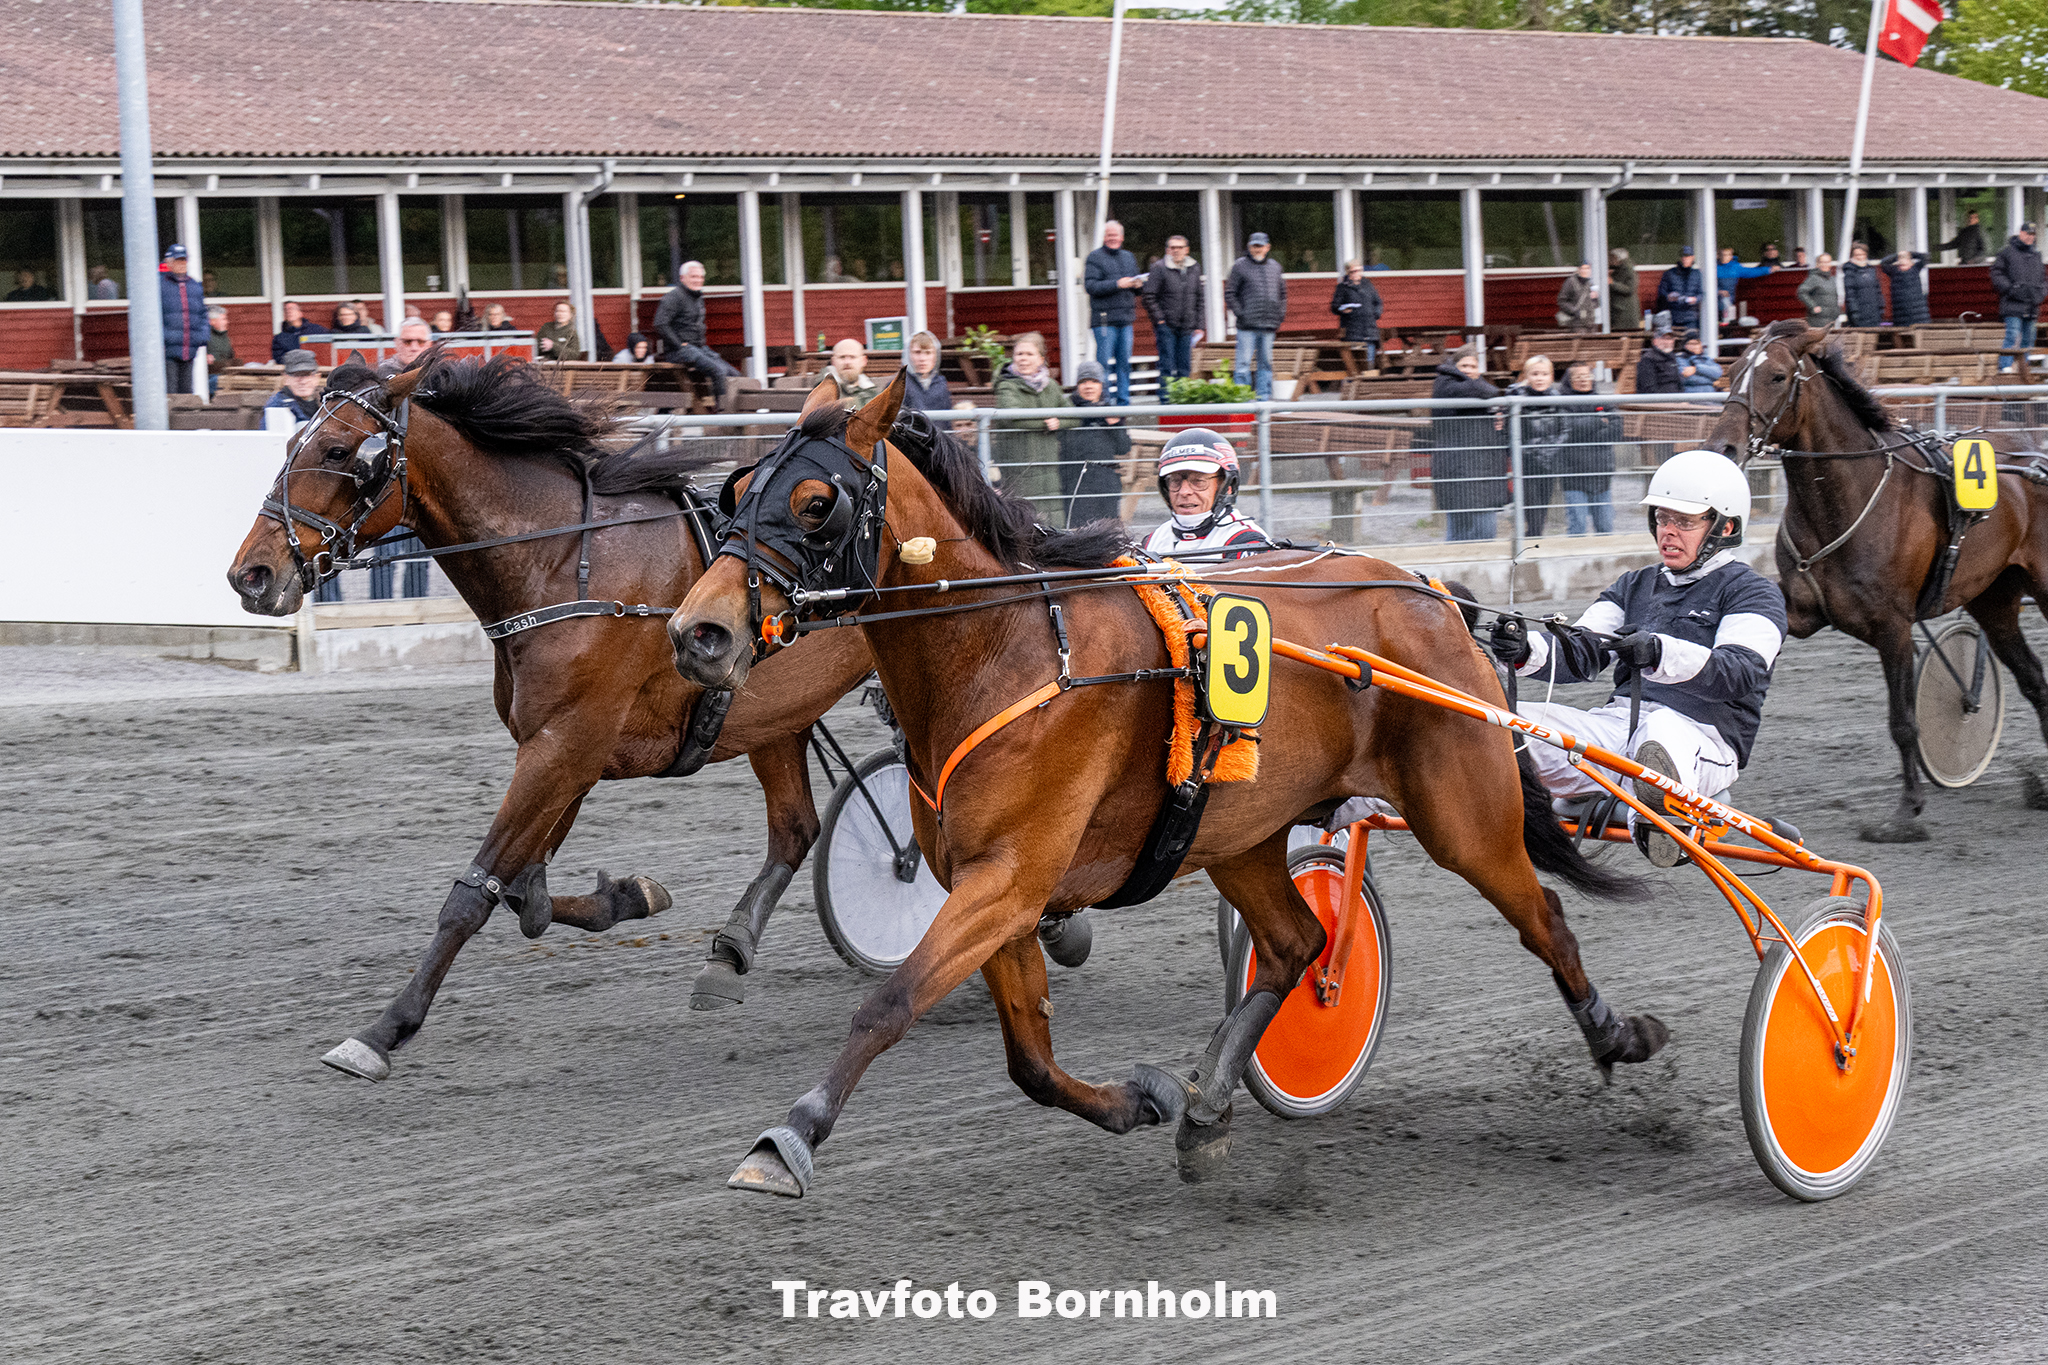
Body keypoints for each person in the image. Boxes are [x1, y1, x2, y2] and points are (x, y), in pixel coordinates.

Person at [1486, 450, 1786, 867]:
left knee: (1662, 730)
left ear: (1725, 526)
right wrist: (1523, 649)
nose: (1668, 532)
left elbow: (1738, 672)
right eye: (1662, 518)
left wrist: (1659, 652)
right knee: (1498, 722)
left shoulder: (1754, 593)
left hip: (1704, 739)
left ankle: (1666, 824)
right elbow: (1581, 652)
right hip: (1619, 730)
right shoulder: (1634, 585)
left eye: (1684, 522)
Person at [1141, 427, 1267, 558]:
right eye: (1175, 481)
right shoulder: (1152, 541)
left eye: (1198, 481)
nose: (1184, 492)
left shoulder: (1247, 542)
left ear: (1227, 485)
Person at [991, 332, 1068, 524]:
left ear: (1041, 359)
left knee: (1053, 520)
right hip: (1018, 464)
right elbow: (1012, 416)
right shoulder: (1007, 386)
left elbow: (1073, 414)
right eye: (1019, 354)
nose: (1023, 358)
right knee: (1023, 520)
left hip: (1048, 464)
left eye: (1029, 354)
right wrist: (1045, 423)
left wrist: (1059, 422)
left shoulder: (1051, 386)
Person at [1429, 346, 1504, 543]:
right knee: (1476, 530)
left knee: (1465, 530)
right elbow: (1480, 389)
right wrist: (1495, 393)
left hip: (1479, 466)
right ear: (1455, 367)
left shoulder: (1471, 387)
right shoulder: (1445, 384)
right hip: (1458, 465)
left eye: (1473, 366)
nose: (1469, 370)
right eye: (1464, 366)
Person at [652, 259, 744, 406]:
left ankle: (738, 410)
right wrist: (679, 345)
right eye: (694, 276)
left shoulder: (697, 297)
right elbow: (660, 323)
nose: (698, 280)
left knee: (735, 375)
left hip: (699, 348)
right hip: (678, 351)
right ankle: (723, 413)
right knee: (719, 371)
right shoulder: (674, 297)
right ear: (683, 278)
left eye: (701, 277)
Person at [1059, 360, 1128, 528]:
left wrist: (1115, 426)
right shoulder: (1067, 410)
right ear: (1077, 385)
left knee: (1108, 532)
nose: (1089, 386)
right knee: (1079, 533)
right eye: (1083, 381)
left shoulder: (1109, 410)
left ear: (1101, 385)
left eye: (1094, 381)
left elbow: (1124, 447)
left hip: (1106, 484)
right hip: (1075, 484)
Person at [1556, 360, 1622, 536]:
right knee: (1577, 525)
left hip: (1601, 471)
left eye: (1587, 375)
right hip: (1573, 472)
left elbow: (1617, 428)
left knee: (1605, 525)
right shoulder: (1561, 402)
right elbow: (1569, 429)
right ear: (1569, 380)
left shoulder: (1601, 400)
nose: (1584, 380)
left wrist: (1590, 432)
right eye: (1578, 377)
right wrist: (1598, 422)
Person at [1506, 354, 1568, 538]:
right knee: (1530, 501)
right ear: (1527, 376)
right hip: (1526, 458)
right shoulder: (1518, 396)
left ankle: (1535, 535)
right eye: (1535, 374)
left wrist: (1550, 451)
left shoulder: (1557, 398)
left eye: (1544, 374)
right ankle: (1533, 535)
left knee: (1543, 501)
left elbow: (1565, 429)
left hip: (1550, 458)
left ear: (1551, 376)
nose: (1540, 378)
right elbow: (1510, 429)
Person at [1083, 220, 1141, 407]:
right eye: (1109, 235)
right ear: (1104, 237)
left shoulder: (1129, 257)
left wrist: (1138, 285)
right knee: (1103, 365)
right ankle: (1105, 403)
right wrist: (1117, 284)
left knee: (1124, 364)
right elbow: (1090, 286)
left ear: (1122, 237)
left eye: (1115, 235)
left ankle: (1124, 403)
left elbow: (1137, 289)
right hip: (1104, 320)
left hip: (1126, 319)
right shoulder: (1094, 257)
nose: (1112, 238)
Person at [1225, 232, 1287, 401]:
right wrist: (1241, 313)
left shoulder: (1275, 267)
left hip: (1269, 324)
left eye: (1260, 246)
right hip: (1247, 325)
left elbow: (1282, 294)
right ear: (1249, 247)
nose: (1257, 249)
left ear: (1267, 247)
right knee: (1243, 364)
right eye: (1254, 246)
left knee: (1266, 363)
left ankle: (1264, 399)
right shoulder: (1240, 266)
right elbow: (1230, 293)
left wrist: (1279, 315)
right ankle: (1242, 400)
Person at [1143, 234, 1203, 387]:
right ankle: (1166, 398)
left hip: (1187, 325)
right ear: (1167, 250)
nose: (1176, 250)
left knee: (1184, 366)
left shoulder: (1194, 267)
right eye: (1173, 247)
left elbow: (1199, 297)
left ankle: (1182, 398)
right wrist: (1160, 319)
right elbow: (1149, 296)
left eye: (1180, 247)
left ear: (1186, 250)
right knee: (1167, 365)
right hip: (1167, 325)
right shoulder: (1159, 268)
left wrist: (1199, 324)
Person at [1991, 222, 2044, 373]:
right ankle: (2005, 367)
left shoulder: (2036, 255)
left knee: (2028, 339)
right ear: (2021, 233)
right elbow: (1996, 273)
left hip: (2031, 304)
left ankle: (2023, 369)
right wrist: (2010, 289)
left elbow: (2043, 279)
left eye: (2033, 234)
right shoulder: (2007, 253)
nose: (2030, 237)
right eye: (2028, 233)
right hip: (2012, 304)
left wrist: (2041, 292)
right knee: (2012, 336)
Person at [158, 244, 206, 396]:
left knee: (187, 393)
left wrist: (202, 338)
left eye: (184, 260)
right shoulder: (159, 285)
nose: (182, 263)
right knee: (170, 393)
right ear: (169, 262)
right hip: (167, 350)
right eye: (178, 260)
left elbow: (203, 314)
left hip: (189, 349)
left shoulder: (195, 286)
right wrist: (162, 339)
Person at [1330, 259, 1384, 363]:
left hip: (1369, 331)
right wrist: (1343, 310)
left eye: (1359, 270)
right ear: (1348, 272)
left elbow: (1378, 302)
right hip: (1352, 332)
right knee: (1355, 363)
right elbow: (1334, 306)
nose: (1356, 274)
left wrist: (1375, 314)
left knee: (1369, 363)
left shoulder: (1368, 285)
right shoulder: (1342, 287)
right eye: (1353, 271)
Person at [263, 348, 323, 430]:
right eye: (296, 375)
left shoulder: (328, 402)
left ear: (317, 378)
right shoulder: (277, 406)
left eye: (307, 375)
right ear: (286, 379)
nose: (303, 381)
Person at [1715, 247, 1772, 326]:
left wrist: (1768, 270)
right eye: (1723, 255)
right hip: (1715, 300)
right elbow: (1705, 284)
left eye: (1728, 255)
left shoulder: (1735, 267)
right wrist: (1718, 291)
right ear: (1718, 256)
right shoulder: (1713, 268)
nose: (1726, 257)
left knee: (1728, 317)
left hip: (1729, 300)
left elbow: (1751, 272)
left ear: (1731, 256)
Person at [901, 329, 953, 414]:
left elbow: (946, 418)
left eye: (928, 353)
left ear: (936, 356)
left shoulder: (941, 384)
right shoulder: (898, 385)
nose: (922, 359)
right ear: (908, 355)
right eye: (917, 352)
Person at [1879, 250, 1932, 327]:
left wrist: (1910, 253)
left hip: (1918, 315)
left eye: (1906, 259)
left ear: (1910, 261)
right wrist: (1897, 255)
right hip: (1900, 316)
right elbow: (1883, 263)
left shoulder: (1915, 269)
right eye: (1900, 259)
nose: (1903, 262)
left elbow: (1925, 257)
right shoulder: (1893, 272)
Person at [1657, 246, 1704, 333]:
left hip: (1691, 317)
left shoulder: (1697, 274)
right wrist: (1668, 297)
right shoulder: (1669, 273)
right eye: (1683, 256)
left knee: (1691, 338)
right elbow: (1661, 292)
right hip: (1674, 316)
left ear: (1692, 258)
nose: (1685, 259)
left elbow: (1702, 294)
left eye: (1687, 256)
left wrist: (1696, 299)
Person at [1841, 243, 1885, 327]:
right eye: (1857, 255)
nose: (1860, 257)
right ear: (1852, 256)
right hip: (1859, 313)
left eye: (1862, 254)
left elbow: (1878, 291)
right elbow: (1850, 295)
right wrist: (1854, 312)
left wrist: (1881, 307)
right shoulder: (1849, 271)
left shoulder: (1872, 270)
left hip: (1874, 312)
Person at [826, 338, 877, 410]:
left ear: (863, 361)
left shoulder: (874, 394)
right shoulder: (822, 393)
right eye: (842, 357)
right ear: (833, 361)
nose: (847, 362)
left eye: (852, 357)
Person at [1798, 254, 1840, 330]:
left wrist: (1837, 311)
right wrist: (1813, 306)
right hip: (1818, 319)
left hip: (1832, 318)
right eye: (1823, 262)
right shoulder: (1813, 278)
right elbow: (1801, 292)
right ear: (1818, 264)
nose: (1825, 264)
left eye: (1827, 262)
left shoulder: (1832, 279)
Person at [1634, 328, 1683, 394]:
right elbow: (1648, 389)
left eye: (1669, 339)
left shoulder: (1672, 357)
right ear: (1655, 341)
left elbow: (1679, 383)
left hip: (1676, 397)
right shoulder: (1647, 359)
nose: (1667, 342)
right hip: (1658, 398)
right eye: (1663, 339)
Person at [1554, 262, 1599, 333]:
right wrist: (1574, 310)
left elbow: (1596, 304)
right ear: (1579, 269)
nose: (1586, 271)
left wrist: (1595, 298)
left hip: (1591, 322)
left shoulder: (1590, 283)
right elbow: (1562, 300)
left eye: (1588, 268)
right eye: (1583, 268)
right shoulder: (1571, 282)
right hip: (1577, 323)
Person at [204, 306, 238, 393]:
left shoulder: (225, 337)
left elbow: (231, 356)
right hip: (209, 376)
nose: (227, 322)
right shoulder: (204, 336)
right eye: (223, 319)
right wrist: (204, 357)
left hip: (224, 374)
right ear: (212, 321)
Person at [1607, 249, 1638, 331]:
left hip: (1624, 311)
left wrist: (1612, 283)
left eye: (1612, 257)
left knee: (1623, 333)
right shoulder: (1617, 268)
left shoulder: (1628, 270)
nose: (1609, 259)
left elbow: (1630, 289)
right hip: (1618, 309)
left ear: (1618, 258)